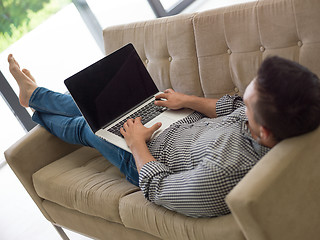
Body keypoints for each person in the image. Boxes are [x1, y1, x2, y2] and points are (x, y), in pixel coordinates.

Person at [8, 54, 320, 218]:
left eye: (251, 103)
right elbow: (233, 107)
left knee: (89, 128)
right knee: (109, 109)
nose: (243, 103)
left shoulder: (226, 172)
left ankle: (35, 105)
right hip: (178, 123)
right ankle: (34, 95)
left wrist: (137, 143)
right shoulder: (285, 116)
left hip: (146, 157)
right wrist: (187, 101)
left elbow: (160, 188)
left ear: (263, 131)